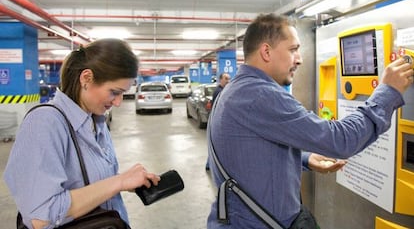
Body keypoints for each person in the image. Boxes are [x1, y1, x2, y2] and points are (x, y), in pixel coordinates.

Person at [207, 13, 414, 229]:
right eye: (292, 49)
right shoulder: (259, 95)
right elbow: (342, 140)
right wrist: (388, 91)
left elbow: (247, 152)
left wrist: (304, 158)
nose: (300, 59)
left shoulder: (233, 90)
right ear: (266, 51)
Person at [3, 38, 160, 229]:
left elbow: (92, 183)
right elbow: (41, 216)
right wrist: (118, 181)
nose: (118, 102)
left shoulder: (96, 121)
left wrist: (126, 182)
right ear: (86, 78)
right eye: (114, 92)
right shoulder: (45, 123)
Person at [206, 72, 231, 171]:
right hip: (217, 121)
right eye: (226, 78)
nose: (228, 81)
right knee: (216, 145)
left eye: (229, 79)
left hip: (217, 121)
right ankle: (210, 164)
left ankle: (209, 164)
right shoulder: (219, 91)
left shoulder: (223, 90)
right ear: (220, 79)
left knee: (215, 145)